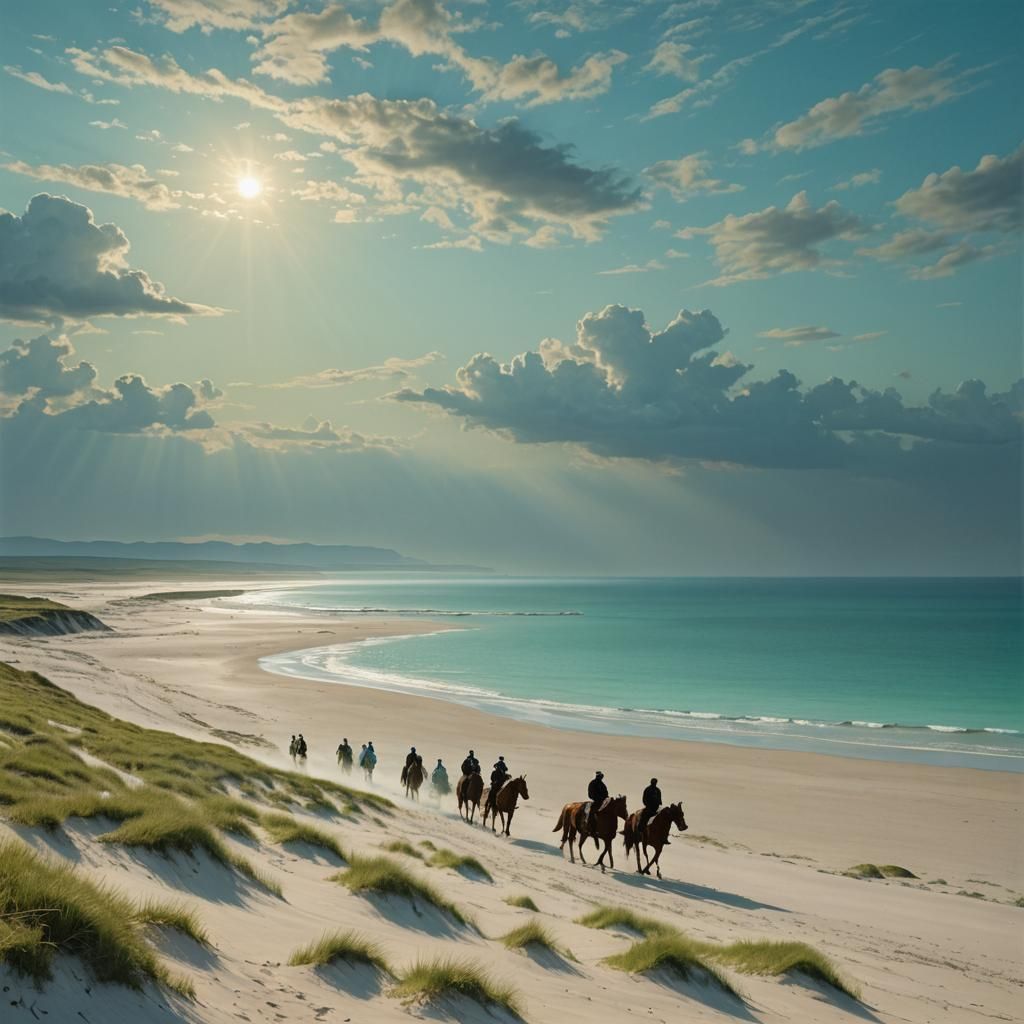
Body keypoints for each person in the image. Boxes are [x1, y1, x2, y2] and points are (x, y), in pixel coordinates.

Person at [638, 777, 665, 843]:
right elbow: (644, 799)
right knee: (644, 817)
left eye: (655, 783)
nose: (654, 784)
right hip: (649, 808)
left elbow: (660, 799)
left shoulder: (658, 790)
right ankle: (640, 831)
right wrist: (648, 806)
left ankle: (664, 835)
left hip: (657, 808)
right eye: (653, 782)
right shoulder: (647, 789)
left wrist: (660, 806)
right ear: (651, 782)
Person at [586, 770, 609, 836]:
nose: (600, 777)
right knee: (591, 812)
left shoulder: (602, 784)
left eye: (600, 776)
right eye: (599, 776)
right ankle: (588, 826)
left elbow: (606, 793)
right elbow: (591, 794)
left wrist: (607, 798)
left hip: (603, 802)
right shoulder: (592, 783)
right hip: (596, 801)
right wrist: (598, 799)